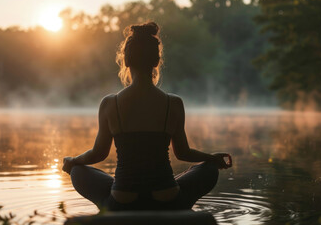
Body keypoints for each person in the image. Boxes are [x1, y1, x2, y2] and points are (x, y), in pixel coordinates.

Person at [62, 22, 232, 211]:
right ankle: (179, 207)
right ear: (156, 61)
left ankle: (110, 211)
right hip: (167, 198)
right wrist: (212, 158)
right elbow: (183, 153)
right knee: (208, 170)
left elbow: (98, 153)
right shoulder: (173, 103)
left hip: (122, 200)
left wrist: (73, 161)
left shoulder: (110, 104)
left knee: (78, 171)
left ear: (126, 61)